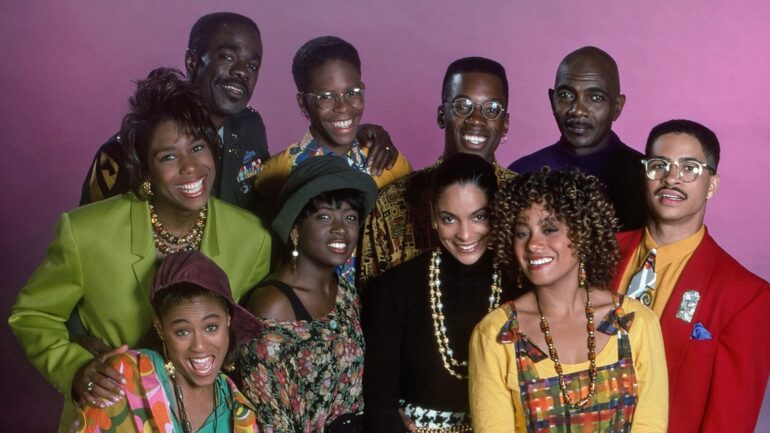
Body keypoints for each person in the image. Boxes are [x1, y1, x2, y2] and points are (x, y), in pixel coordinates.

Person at [9, 68, 271, 433]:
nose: (191, 167)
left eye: (197, 147)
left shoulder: (251, 237)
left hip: (208, 418)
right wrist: (75, 368)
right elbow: (33, 315)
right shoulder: (86, 232)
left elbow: (243, 334)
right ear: (145, 169)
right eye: (168, 157)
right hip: (114, 417)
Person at [81, 13, 399, 211]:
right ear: (193, 62)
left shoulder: (248, 128)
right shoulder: (128, 148)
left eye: (252, 65)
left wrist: (349, 135)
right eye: (227, 57)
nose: (241, 73)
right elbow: (94, 243)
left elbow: (273, 185)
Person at [470, 169, 668, 432]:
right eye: (522, 233)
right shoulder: (496, 334)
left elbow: (650, 425)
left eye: (550, 229)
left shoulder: (636, 324)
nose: (533, 244)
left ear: (583, 234)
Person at [613, 119, 770, 433]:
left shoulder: (746, 296)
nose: (671, 178)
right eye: (659, 165)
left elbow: (730, 422)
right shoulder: (598, 253)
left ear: (711, 185)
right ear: (644, 176)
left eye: (690, 168)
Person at [363, 154, 516, 432]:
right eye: (449, 219)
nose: (465, 235)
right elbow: (380, 404)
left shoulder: (518, 284)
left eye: (478, 217)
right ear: (433, 216)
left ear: (496, 213)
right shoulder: (394, 289)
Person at [237, 155, 377, 432]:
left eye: (350, 217)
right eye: (324, 216)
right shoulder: (273, 306)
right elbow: (271, 420)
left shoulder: (345, 292)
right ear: (296, 227)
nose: (340, 229)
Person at [359, 56, 515, 285]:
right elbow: (368, 302)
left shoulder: (525, 203)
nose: (476, 120)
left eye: (491, 109)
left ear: (505, 125)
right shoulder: (389, 204)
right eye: (463, 106)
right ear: (442, 115)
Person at [74, 251, 262, 433]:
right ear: (160, 327)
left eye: (211, 327)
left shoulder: (242, 412)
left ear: (228, 319)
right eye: (183, 331)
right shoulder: (126, 376)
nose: (199, 346)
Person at [252, 35, 411, 225]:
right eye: (326, 97)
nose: (343, 107)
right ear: (303, 103)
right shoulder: (272, 177)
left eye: (352, 93)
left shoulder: (390, 165)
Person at [507, 46, 645, 231]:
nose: (577, 110)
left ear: (617, 107)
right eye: (566, 95)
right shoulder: (521, 174)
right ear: (552, 99)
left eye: (595, 98)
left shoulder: (646, 176)